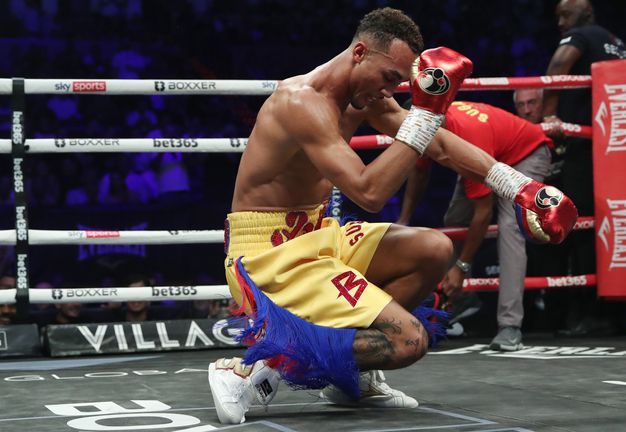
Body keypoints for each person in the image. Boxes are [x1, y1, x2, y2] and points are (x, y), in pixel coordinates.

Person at [208, 7, 577, 425]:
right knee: (407, 341)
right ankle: (250, 368)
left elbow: (435, 144)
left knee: (436, 248)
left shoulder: (362, 94)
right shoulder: (301, 103)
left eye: (401, 81)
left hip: (319, 236)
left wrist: (519, 187)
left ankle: (351, 374)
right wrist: (425, 114)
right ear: (360, 52)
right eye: (390, 78)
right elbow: (368, 192)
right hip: (268, 256)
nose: (393, 89)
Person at [397, 100, 554, 351]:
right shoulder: (424, 124)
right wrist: (403, 220)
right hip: (489, 153)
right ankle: (462, 300)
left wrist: (461, 266)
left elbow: (482, 212)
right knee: (454, 221)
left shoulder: (467, 136)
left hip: (524, 153)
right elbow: (419, 173)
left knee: (509, 227)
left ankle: (509, 326)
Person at [541, 0, 626, 336]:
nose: (561, 23)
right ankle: (616, 310)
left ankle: (584, 313)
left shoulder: (581, 35)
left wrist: (549, 113)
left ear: (585, 12)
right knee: (613, 223)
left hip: (586, 143)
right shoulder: (618, 43)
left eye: (565, 14)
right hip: (620, 145)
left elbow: (558, 66)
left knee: (580, 225)